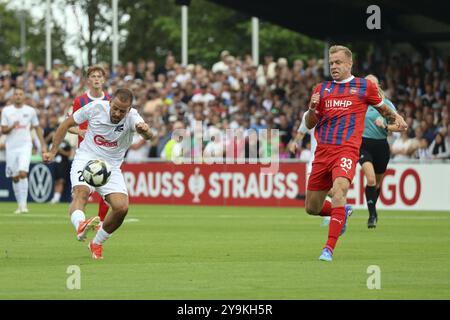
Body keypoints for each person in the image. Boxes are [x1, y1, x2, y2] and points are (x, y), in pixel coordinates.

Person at [303, 45, 407, 262]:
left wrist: (396, 118)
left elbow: (383, 109)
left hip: (347, 150)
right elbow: (310, 123)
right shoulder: (321, 89)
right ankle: (342, 213)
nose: (334, 66)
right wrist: (312, 109)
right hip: (323, 152)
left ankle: (328, 249)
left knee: (340, 190)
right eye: (331, 63)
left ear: (349, 64)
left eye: (338, 62)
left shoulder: (363, 86)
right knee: (312, 208)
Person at [43, 88, 154, 260]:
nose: (117, 113)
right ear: (110, 102)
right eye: (115, 108)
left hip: (111, 167)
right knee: (81, 193)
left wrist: (145, 130)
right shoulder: (95, 107)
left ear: (129, 109)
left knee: (121, 208)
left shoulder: (133, 117)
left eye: (122, 111)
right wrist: (52, 151)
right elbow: (65, 124)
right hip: (86, 159)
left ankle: (97, 242)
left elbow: (148, 136)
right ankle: (80, 224)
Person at [359, 74, 404, 229]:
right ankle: (372, 216)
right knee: (370, 180)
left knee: (377, 184)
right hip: (363, 145)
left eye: (372, 84)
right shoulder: (359, 103)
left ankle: (373, 210)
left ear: (378, 86)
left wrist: (385, 126)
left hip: (381, 146)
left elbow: (399, 126)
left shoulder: (386, 104)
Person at [69, 65, 111, 223]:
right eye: (93, 76)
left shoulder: (109, 101)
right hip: (85, 153)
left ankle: (100, 221)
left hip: (105, 152)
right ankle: (79, 221)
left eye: (99, 76)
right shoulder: (80, 101)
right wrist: (78, 131)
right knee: (81, 194)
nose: (97, 79)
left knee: (108, 193)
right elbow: (69, 125)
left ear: (104, 80)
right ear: (88, 80)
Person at [1, 87, 47, 213]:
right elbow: (3, 130)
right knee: (15, 177)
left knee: (23, 173)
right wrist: (12, 126)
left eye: (20, 94)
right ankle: (19, 205)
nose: (18, 96)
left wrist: (42, 145)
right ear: (12, 96)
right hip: (11, 147)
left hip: (25, 146)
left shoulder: (30, 111)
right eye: (16, 94)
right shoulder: (6, 111)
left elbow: (37, 128)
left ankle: (24, 205)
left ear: (24, 97)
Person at [49, 139, 72, 204]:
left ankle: (57, 198)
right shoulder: (54, 143)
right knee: (56, 181)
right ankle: (55, 196)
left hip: (63, 164)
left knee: (61, 181)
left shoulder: (66, 143)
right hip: (55, 164)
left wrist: (60, 150)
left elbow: (69, 154)